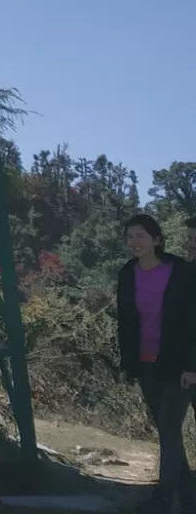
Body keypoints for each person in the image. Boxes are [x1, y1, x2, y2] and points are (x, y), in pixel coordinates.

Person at [117, 213, 196, 512]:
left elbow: (193, 322)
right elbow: (125, 321)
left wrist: (192, 365)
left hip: (178, 364)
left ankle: (163, 498)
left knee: (168, 424)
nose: (135, 241)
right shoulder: (127, 273)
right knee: (168, 432)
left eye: (141, 235)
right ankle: (188, 497)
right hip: (146, 363)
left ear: (156, 239)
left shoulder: (180, 271)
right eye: (130, 236)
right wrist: (128, 363)